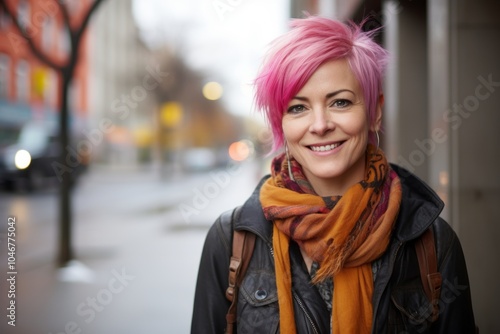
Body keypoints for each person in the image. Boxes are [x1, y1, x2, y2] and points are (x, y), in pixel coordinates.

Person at [191, 16, 476, 333]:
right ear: (280, 122)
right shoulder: (232, 240)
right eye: (298, 107)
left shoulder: (432, 241)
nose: (320, 124)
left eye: (340, 102)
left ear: (375, 111)